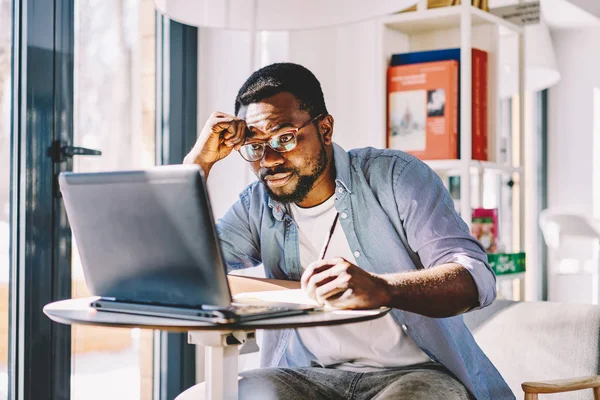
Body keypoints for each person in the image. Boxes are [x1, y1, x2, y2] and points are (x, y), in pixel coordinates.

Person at [184, 62, 514, 400]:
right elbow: (184, 268)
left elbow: (476, 279)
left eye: (284, 138)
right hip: (306, 377)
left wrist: (383, 288)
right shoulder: (257, 203)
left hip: (415, 374)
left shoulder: (395, 177)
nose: (269, 160)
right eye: (255, 146)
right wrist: (200, 162)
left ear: (325, 129)